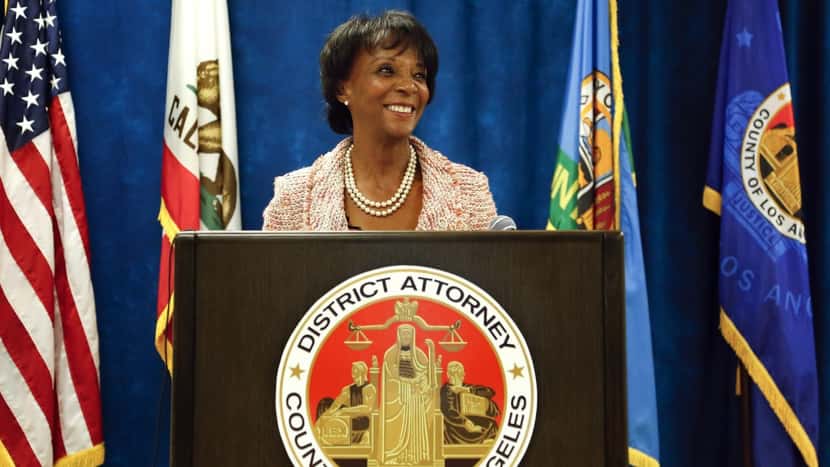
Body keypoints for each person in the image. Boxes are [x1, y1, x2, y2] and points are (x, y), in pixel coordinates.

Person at [262, 10, 497, 231]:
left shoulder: (469, 192)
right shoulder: (294, 198)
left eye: (419, 75)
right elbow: (273, 275)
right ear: (343, 88)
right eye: (386, 70)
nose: (408, 87)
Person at [380, 324, 434, 464]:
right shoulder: (391, 354)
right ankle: (397, 456)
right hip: (398, 396)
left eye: (408, 334)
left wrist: (422, 382)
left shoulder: (419, 354)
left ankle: (414, 455)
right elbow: (391, 376)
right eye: (403, 334)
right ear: (398, 335)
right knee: (399, 427)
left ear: (413, 336)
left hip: (415, 396)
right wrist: (410, 381)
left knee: (414, 425)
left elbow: (425, 374)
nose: (406, 337)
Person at [316, 361, 376, 444]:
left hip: (362, 419)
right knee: (325, 404)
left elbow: (367, 408)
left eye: (355, 369)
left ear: (361, 372)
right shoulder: (347, 389)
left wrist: (344, 411)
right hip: (348, 417)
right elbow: (336, 404)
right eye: (352, 369)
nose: (352, 372)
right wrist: (323, 418)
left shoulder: (369, 388)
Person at [440, 361, 500, 444]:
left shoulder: (466, 387)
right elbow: (449, 411)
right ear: (448, 375)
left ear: (463, 375)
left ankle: (488, 442)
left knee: (491, 424)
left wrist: (467, 390)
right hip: (456, 425)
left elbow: (490, 392)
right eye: (454, 374)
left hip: (472, 419)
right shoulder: (446, 390)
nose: (457, 377)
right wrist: (465, 422)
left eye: (459, 374)